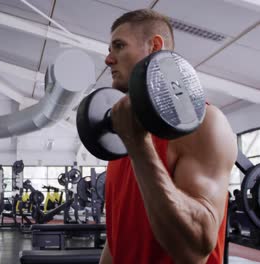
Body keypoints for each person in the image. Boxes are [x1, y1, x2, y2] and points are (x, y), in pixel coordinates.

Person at [100, 9, 237, 263]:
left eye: (118, 46)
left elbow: (195, 250)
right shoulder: (121, 135)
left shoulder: (207, 123)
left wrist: (139, 146)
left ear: (154, 47)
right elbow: (117, 237)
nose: (108, 59)